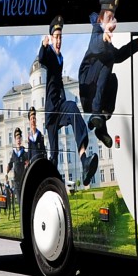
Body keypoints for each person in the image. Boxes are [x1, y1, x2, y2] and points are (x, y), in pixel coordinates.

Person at [77, 0, 138, 185]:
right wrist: (103, 34)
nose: (112, 23)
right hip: (88, 89)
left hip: (98, 94)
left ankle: (101, 123)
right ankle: (96, 114)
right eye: (109, 19)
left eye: (114, 19)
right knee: (105, 59)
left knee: (113, 75)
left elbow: (118, 55)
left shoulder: (108, 44)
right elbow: (95, 44)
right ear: (101, 19)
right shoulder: (96, 31)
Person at [37, 15, 89, 186]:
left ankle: (84, 159)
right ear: (51, 38)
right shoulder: (50, 54)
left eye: (60, 37)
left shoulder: (61, 58)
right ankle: (48, 182)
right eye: (56, 37)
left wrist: (64, 99)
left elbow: (59, 82)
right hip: (51, 111)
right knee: (54, 152)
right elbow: (43, 59)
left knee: (73, 109)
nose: (58, 40)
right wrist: (43, 47)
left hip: (60, 106)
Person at [6, 127, 28, 217]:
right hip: (17, 181)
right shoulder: (14, 153)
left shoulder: (24, 153)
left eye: (19, 138)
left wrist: (28, 163)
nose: (18, 140)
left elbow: (28, 163)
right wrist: (7, 169)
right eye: (17, 138)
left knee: (25, 201)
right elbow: (11, 163)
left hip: (24, 180)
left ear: (21, 139)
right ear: (15, 140)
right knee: (20, 202)